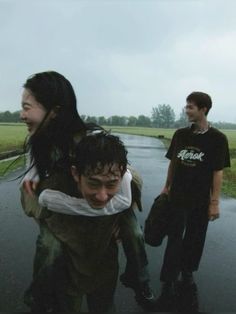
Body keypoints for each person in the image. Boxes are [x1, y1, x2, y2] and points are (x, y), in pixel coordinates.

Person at [20, 71, 153, 312]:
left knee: (134, 233)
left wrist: (121, 214)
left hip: (112, 197)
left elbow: (122, 176)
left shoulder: (87, 138)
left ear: (55, 110)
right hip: (68, 205)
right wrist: (32, 175)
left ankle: (139, 277)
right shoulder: (37, 140)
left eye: (27, 107)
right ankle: (39, 297)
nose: (22, 114)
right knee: (50, 247)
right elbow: (33, 168)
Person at [36, 132, 146, 312]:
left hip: (104, 268)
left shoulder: (129, 184)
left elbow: (132, 201)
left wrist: (123, 221)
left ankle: (141, 278)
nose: (102, 196)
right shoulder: (55, 187)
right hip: (68, 270)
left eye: (111, 185)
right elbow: (35, 210)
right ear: (75, 174)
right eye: (93, 184)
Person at [153, 91, 230, 311]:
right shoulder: (180, 135)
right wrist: (167, 187)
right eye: (186, 106)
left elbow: (217, 173)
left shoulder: (217, 139)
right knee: (174, 240)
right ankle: (167, 285)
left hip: (199, 200)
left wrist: (214, 202)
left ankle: (187, 277)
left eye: (190, 107)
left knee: (195, 239)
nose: (186, 110)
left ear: (203, 109)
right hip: (177, 198)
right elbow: (173, 163)